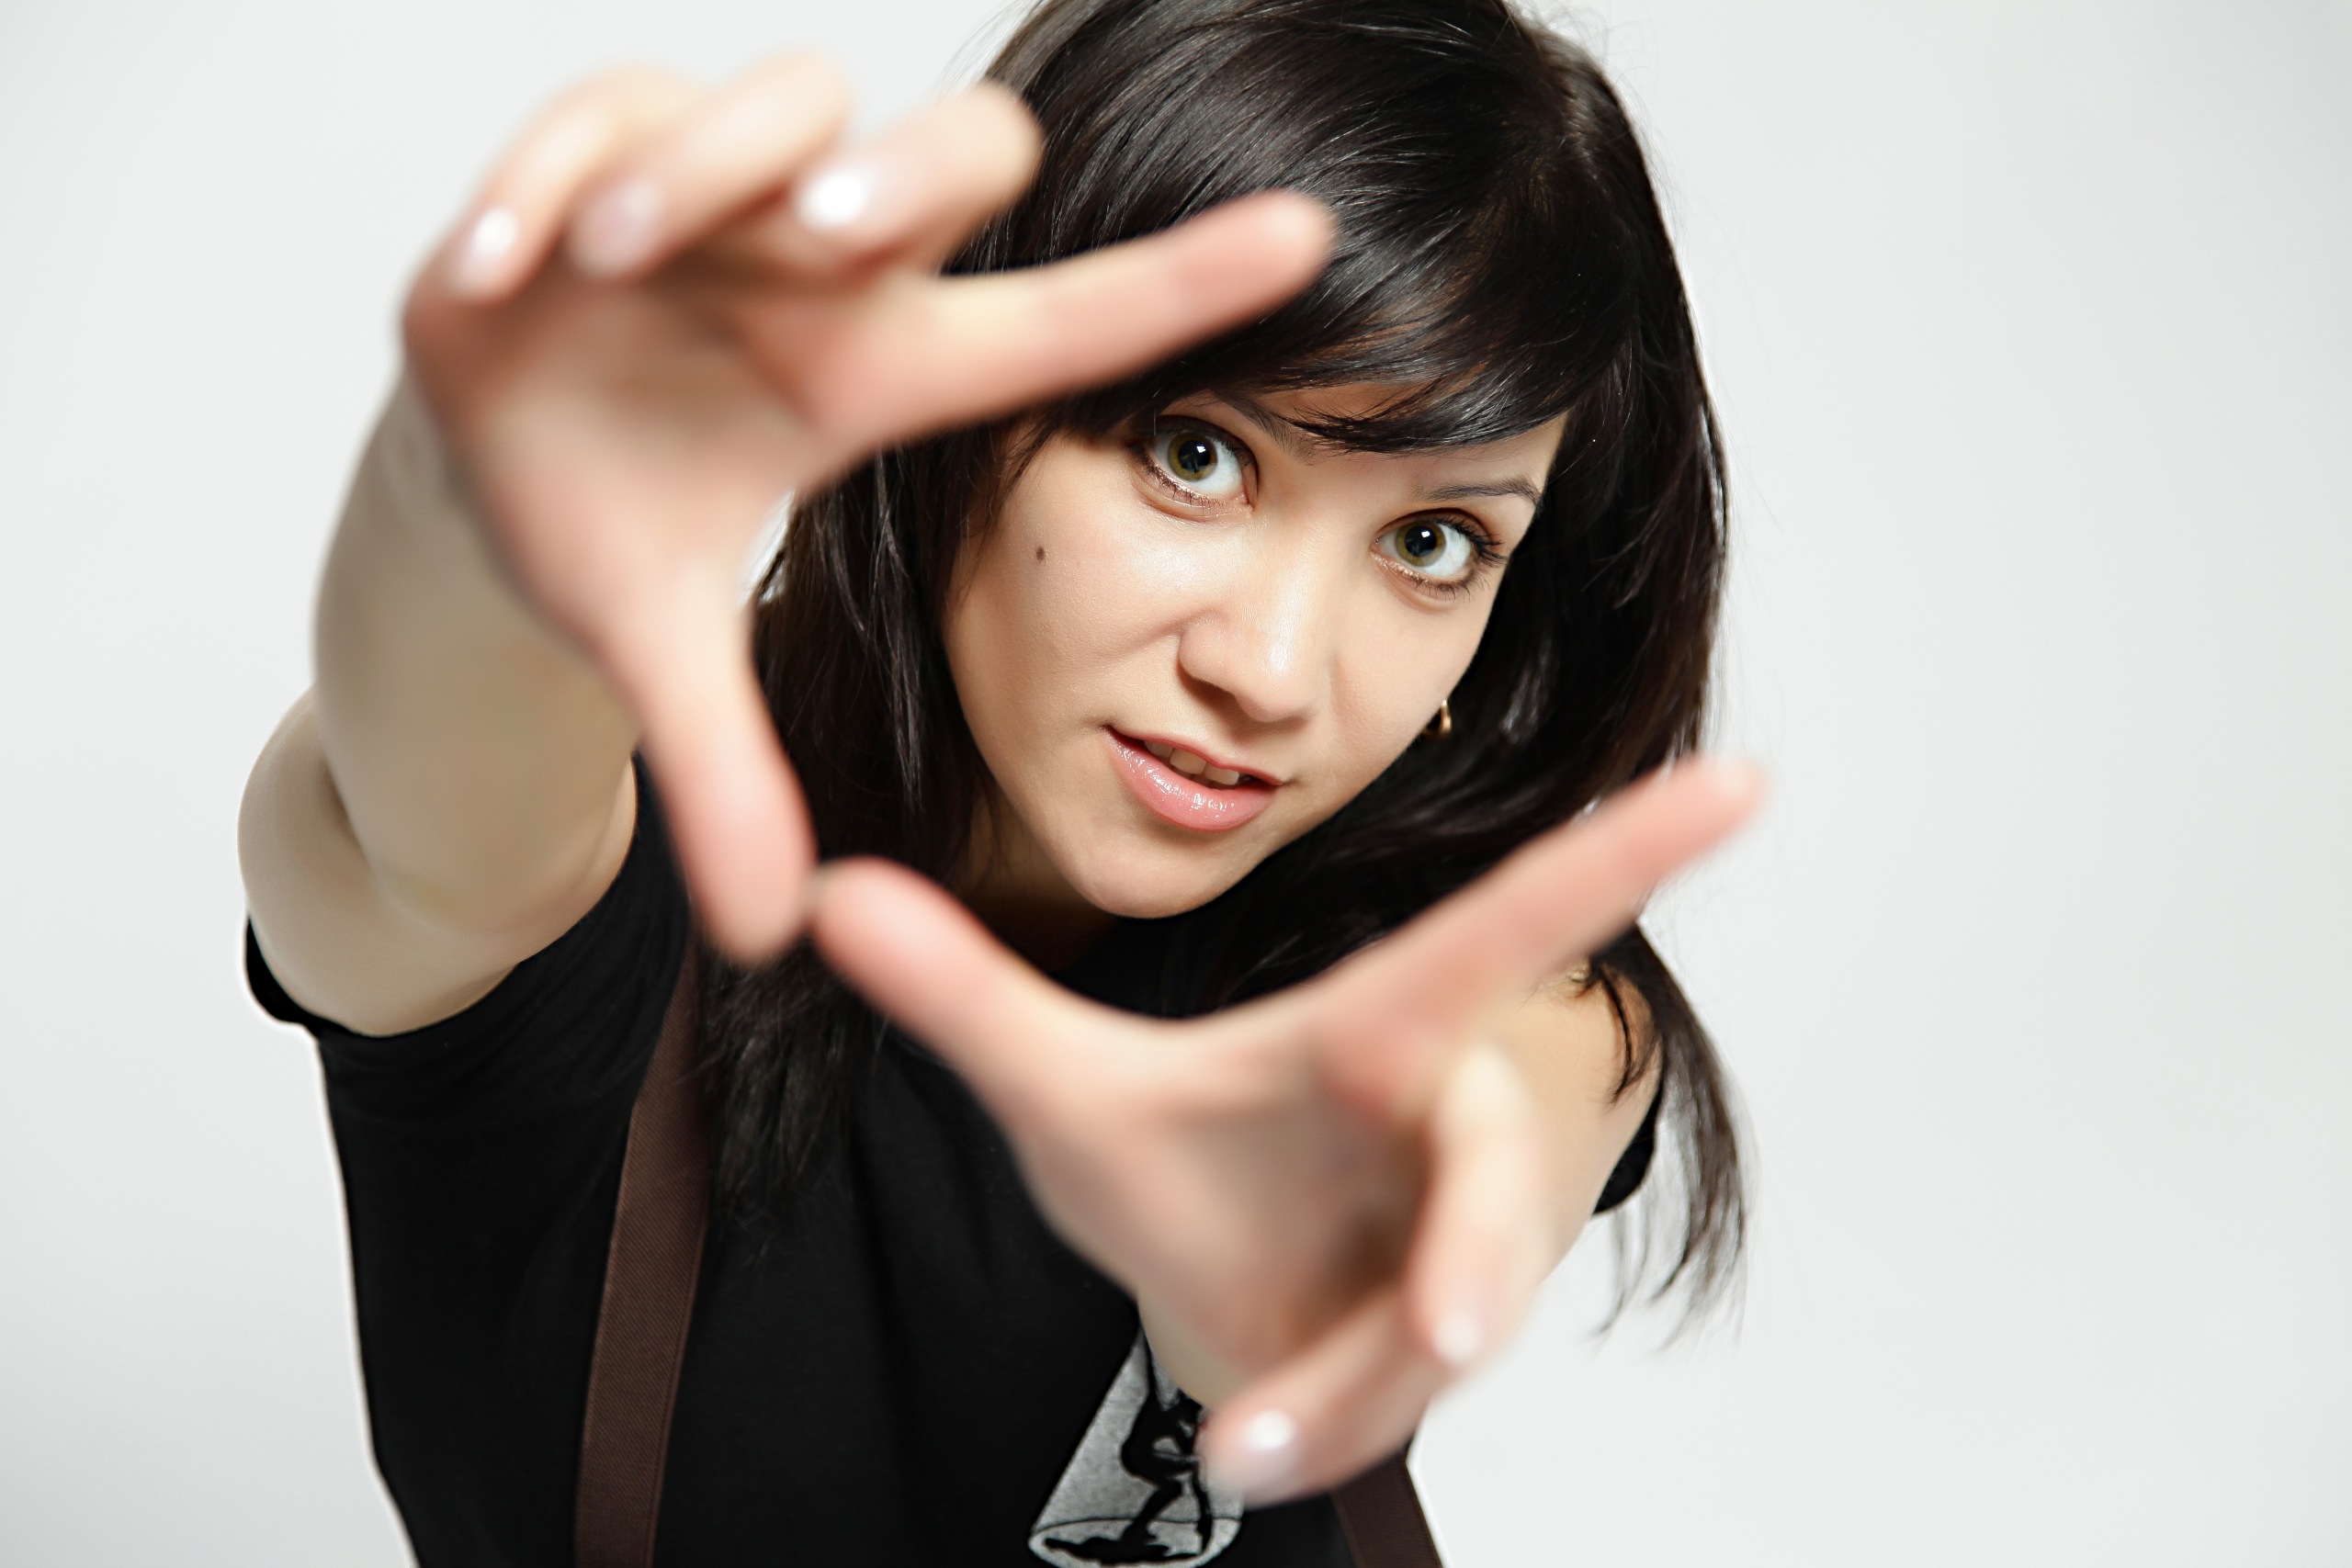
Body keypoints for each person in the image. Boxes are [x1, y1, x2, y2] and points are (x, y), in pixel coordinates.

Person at [237, 0, 1758, 1561]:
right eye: (1195, 452)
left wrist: (1351, 1232)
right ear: (958, 403)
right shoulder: (584, 867)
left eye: (1434, 542)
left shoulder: (1493, 986)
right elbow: (415, 813)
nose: (1276, 672)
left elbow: (1474, 1129)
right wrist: (471, 520)